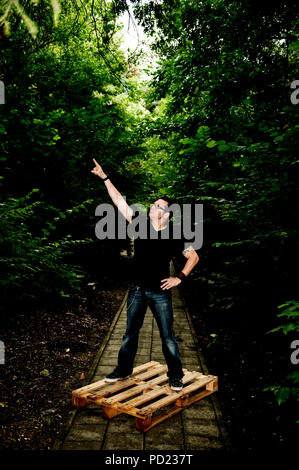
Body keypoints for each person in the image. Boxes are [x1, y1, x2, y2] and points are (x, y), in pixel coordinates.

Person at [91, 159, 200, 391]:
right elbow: (118, 201)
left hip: (160, 292)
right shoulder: (140, 224)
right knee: (130, 333)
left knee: (168, 336)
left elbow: (194, 256)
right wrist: (104, 177)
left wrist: (179, 277)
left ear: (167, 213)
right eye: (153, 204)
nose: (153, 206)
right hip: (137, 290)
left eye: (159, 205)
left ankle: (175, 375)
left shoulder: (174, 234)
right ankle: (123, 370)